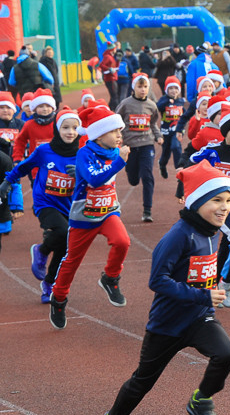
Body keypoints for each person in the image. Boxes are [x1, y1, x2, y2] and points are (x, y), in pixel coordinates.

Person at [95, 162, 230, 415]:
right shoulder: (178, 235)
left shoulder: (216, 230)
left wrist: (210, 290)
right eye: (217, 200)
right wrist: (202, 294)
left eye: (228, 200)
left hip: (199, 317)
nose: (225, 207)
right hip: (167, 324)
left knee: (226, 354)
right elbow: (157, 281)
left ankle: (201, 400)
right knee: (142, 382)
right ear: (197, 202)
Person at [48, 105, 132, 329]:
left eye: (120, 131)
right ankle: (58, 299)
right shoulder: (85, 153)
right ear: (99, 134)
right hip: (84, 217)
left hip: (108, 212)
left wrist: (118, 159)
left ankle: (110, 278)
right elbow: (94, 179)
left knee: (122, 241)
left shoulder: (115, 151)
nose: (119, 135)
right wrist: (120, 162)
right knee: (72, 261)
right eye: (114, 131)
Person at [178, 105, 230, 308]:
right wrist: (190, 183)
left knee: (227, 248)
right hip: (216, 209)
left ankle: (213, 286)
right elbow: (190, 162)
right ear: (225, 131)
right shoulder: (212, 150)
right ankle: (227, 283)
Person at [1, 106, 79, 303]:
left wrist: (81, 174)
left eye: (74, 128)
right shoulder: (44, 151)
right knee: (61, 232)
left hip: (69, 205)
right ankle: (41, 250)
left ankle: (49, 284)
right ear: (57, 129)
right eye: (65, 128)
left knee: (65, 245)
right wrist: (7, 181)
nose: (70, 132)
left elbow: (95, 178)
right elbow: (23, 167)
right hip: (46, 203)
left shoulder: (82, 154)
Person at [115, 73, 162, 222]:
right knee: (134, 180)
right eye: (140, 86)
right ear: (133, 87)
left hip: (147, 144)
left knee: (147, 176)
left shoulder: (151, 105)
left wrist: (158, 136)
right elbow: (117, 121)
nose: (143, 90)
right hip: (130, 146)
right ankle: (132, 174)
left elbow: (153, 123)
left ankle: (147, 210)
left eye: (145, 87)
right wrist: (118, 137)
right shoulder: (125, 104)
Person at [12, 90, 57, 162]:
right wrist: (17, 158)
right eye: (41, 106)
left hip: (55, 161)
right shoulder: (29, 125)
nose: (45, 109)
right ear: (35, 108)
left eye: (48, 106)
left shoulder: (58, 123)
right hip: (35, 163)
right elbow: (20, 141)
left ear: (53, 108)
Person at [156, 76, 185, 179]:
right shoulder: (163, 100)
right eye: (171, 88)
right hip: (165, 131)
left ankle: (179, 169)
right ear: (166, 90)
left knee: (176, 146)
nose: (173, 90)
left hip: (177, 131)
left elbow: (185, 114)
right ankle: (162, 164)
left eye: (176, 88)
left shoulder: (180, 101)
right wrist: (167, 102)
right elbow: (158, 107)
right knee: (166, 153)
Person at [0, 91, 24, 157]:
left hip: (16, 158)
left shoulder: (21, 124)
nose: (5, 110)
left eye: (8, 107)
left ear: (14, 110)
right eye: (1, 107)